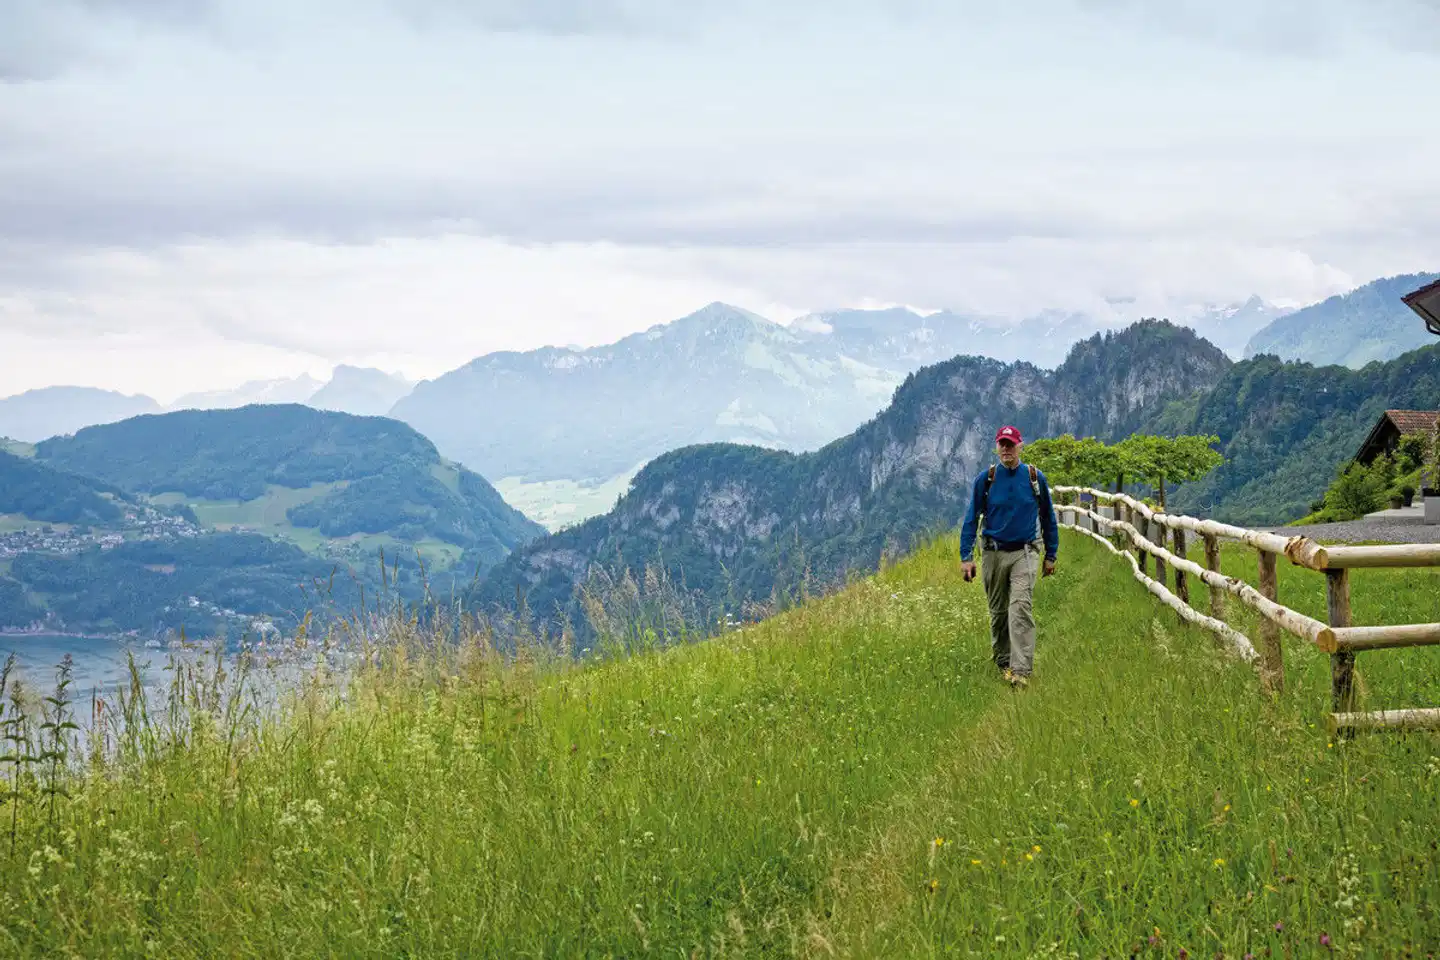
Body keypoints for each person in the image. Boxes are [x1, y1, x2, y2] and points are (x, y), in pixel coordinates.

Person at [959, 425, 1059, 689]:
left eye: (1011, 444)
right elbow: (972, 518)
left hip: (1024, 552)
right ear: (997, 447)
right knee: (999, 612)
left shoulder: (1035, 478)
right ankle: (1004, 662)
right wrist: (966, 556)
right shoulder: (986, 479)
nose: (1006, 449)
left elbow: (1048, 517)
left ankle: (1021, 671)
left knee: (1020, 608)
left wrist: (1051, 554)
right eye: (1002, 444)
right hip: (992, 552)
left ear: (1020, 446)